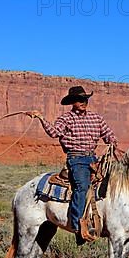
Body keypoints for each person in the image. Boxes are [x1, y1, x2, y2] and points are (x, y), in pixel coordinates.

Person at [26, 86, 118, 244]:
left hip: (94, 160)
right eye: (79, 99)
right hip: (76, 159)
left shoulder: (96, 118)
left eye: (85, 99)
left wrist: (112, 141)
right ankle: (78, 226)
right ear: (72, 102)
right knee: (82, 187)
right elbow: (54, 133)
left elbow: (108, 134)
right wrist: (41, 118)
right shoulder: (66, 118)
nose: (83, 102)